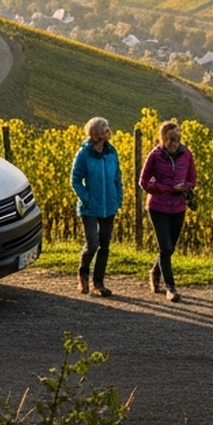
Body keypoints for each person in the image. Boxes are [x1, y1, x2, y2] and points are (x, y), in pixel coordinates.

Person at [139, 119, 196, 302]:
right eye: (171, 139)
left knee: (169, 248)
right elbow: (144, 181)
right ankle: (170, 287)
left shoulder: (187, 154)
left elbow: (192, 179)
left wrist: (184, 186)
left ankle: (155, 272)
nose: (175, 142)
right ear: (163, 139)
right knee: (166, 246)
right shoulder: (155, 155)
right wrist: (164, 188)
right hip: (158, 206)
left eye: (177, 138)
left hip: (179, 206)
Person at [71, 116, 123, 297]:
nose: (108, 130)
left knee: (105, 245)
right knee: (93, 243)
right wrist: (87, 198)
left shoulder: (111, 152)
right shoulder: (84, 154)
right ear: (95, 133)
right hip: (89, 207)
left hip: (109, 206)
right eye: (104, 128)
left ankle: (99, 283)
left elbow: (117, 178)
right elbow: (76, 180)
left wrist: (118, 199)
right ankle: (83, 273)